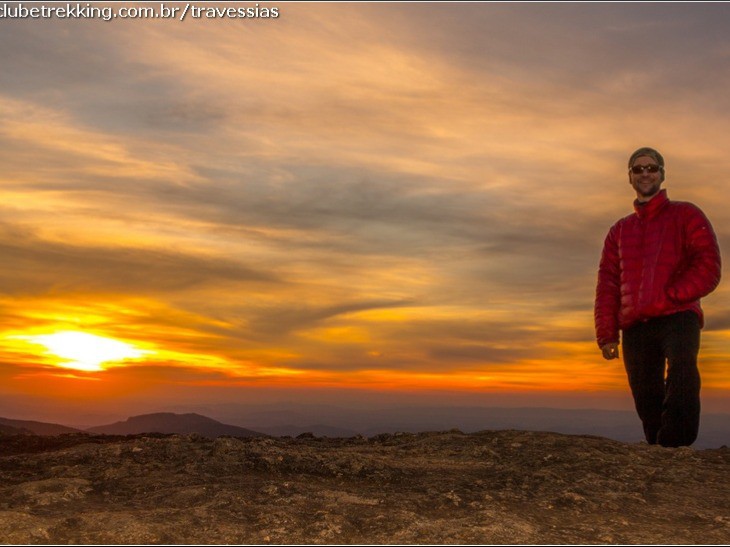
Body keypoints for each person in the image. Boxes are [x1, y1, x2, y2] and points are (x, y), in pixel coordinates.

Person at [594, 147, 721, 447]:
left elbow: (709, 265)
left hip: (678, 315)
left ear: (662, 174)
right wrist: (607, 334)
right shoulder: (619, 231)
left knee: (682, 375)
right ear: (630, 177)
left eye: (651, 167)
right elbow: (608, 284)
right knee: (645, 394)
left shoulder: (686, 214)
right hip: (636, 323)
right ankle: (657, 451)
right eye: (638, 169)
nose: (645, 173)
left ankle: (676, 447)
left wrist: (674, 295)